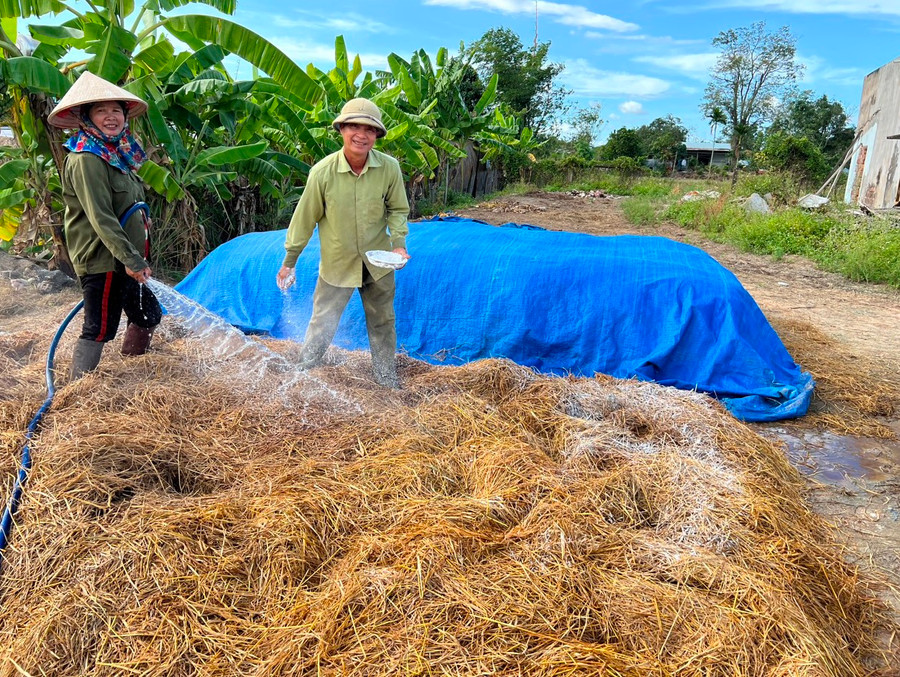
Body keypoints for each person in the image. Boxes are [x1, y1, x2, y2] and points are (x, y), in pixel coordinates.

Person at [276, 98, 410, 388]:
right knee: (323, 320)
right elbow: (304, 219)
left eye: (369, 129)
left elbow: (398, 209)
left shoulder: (389, 168)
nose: (361, 135)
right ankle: (305, 372)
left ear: (377, 135)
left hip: (378, 262)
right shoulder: (322, 172)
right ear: (341, 130)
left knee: (383, 321)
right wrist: (290, 261)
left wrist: (398, 244)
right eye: (354, 127)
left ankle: (386, 378)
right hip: (337, 263)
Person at [48, 71, 162, 379]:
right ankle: (78, 389)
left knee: (148, 314)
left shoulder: (117, 153)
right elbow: (101, 217)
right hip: (103, 257)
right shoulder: (87, 158)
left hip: (125, 256)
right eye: (101, 111)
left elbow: (128, 201)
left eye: (116, 110)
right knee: (99, 328)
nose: (111, 117)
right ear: (87, 117)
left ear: (125, 116)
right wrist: (132, 260)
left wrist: (142, 223)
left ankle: (134, 367)